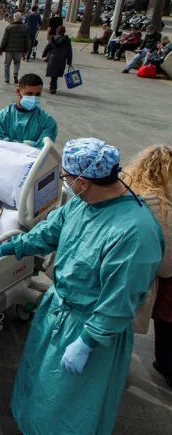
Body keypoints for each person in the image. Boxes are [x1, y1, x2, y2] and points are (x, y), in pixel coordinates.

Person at [0, 138, 164, 435]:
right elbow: (46, 234)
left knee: (68, 402)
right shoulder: (83, 204)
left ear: (83, 181)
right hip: (59, 311)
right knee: (40, 382)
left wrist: (87, 343)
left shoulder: (135, 232)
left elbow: (120, 299)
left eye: (66, 178)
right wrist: (0, 250)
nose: (65, 183)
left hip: (91, 329)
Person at [124, 145, 172, 389]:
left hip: (104, 270)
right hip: (136, 282)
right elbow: (167, 268)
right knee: (120, 335)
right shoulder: (162, 208)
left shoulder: (123, 187)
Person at [0, 73, 58, 149]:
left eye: (37, 94)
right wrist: (27, 146)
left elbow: (43, 150)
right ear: (18, 91)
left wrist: (12, 144)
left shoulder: (48, 122)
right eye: (29, 94)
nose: (34, 98)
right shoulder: (0, 118)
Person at [0, 13, 31, 85]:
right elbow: (27, 40)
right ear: (20, 18)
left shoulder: (9, 27)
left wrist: (1, 49)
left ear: (14, 18)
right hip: (19, 50)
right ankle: (15, 73)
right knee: (17, 63)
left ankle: (7, 79)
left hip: (9, 49)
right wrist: (26, 49)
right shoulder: (25, 28)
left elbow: (5, 39)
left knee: (7, 64)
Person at [44, 26, 72, 94]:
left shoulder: (53, 38)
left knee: (53, 74)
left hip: (53, 58)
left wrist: (44, 54)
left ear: (57, 31)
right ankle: (53, 87)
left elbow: (48, 46)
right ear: (64, 32)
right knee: (55, 74)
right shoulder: (67, 40)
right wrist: (69, 60)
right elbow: (69, 50)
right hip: (62, 59)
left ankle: (53, 87)